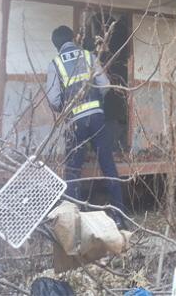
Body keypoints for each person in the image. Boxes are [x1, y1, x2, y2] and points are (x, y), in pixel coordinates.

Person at [45, 25, 126, 229]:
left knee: (73, 170)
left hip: (75, 122)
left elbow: (54, 100)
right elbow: (105, 85)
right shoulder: (89, 56)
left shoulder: (55, 64)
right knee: (108, 166)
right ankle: (119, 218)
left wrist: (66, 108)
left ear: (56, 45)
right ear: (74, 38)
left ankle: (74, 222)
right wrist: (96, 103)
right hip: (97, 118)